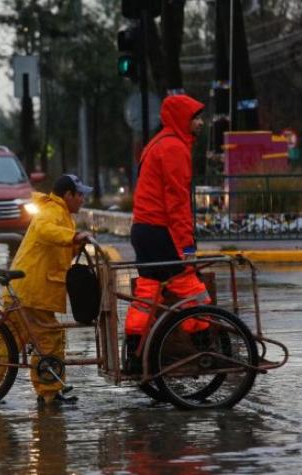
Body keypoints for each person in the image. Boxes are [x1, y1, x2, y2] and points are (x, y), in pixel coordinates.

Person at [0, 174, 92, 405]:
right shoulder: (51, 212)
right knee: (44, 338)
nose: (83, 200)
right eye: (80, 195)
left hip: (33, 291)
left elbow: (56, 251)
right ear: (68, 195)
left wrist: (74, 243)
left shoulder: (61, 214)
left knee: (27, 341)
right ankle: (47, 394)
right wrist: (73, 236)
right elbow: (46, 231)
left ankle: (45, 392)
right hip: (32, 293)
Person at [125, 94, 211, 373]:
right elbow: (177, 202)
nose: (201, 123)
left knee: (148, 292)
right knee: (189, 284)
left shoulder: (157, 144)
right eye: (195, 118)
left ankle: (135, 352)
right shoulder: (174, 148)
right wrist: (187, 248)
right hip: (160, 229)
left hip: (144, 229)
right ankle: (206, 347)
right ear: (181, 120)